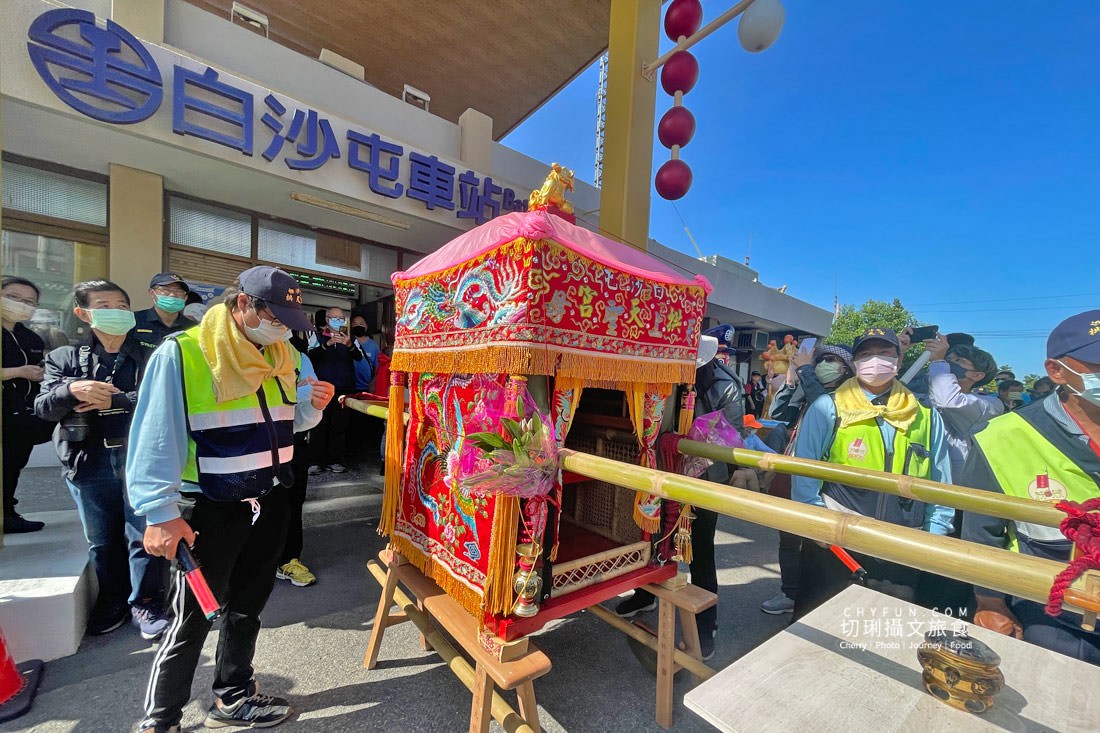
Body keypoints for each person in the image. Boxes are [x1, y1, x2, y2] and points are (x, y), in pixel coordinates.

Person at [127, 266, 333, 731]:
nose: (282, 327)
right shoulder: (184, 354)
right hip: (209, 509)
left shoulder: (282, 355)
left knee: (248, 606)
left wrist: (310, 410)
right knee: (193, 618)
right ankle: (161, 720)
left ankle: (234, 694)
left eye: (288, 319)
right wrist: (159, 512)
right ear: (243, 304)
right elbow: (156, 438)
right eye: (275, 316)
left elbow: (280, 424)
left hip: (268, 499)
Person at [962, 310, 1100, 664]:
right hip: (1055, 613)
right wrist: (991, 601)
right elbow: (983, 530)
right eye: (1097, 363)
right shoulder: (1002, 437)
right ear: (1056, 371)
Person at [34, 280, 169, 638]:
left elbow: (166, 400)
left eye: (123, 305)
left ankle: (147, 601)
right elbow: (42, 408)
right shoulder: (64, 359)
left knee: (144, 534)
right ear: (83, 313)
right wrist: (70, 389)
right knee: (103, 540)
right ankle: (112, 600)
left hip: (137, 458)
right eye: (105, 305)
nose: (117, 312)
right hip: (87, 460)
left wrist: (119, 401)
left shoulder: (151, 353)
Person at [790, 327, 953, 618]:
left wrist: (934, 535)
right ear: (854, 364)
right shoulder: (829, 407)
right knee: (818, 625)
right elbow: (805, 472)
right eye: (865, 354)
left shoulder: (925, 416)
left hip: (902, 545)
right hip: (836, 542)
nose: (875, 360)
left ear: (899, 361)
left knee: (881, 631)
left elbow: (941, 481)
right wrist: (816, 523)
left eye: (884, 353)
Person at [615, 326, 744, 660]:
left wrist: (688, 453)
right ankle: (645, 595)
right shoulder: (666, 373)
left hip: (701, 482)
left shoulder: (724, 385)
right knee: (652, 539)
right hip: (662, 471)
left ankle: (705, 624)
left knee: (700, 551)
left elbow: (729, 440)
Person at [760, 343, 854, 616]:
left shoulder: (845, 398)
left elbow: (820, 403)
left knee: (817, 544)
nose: (823, 364)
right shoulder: (807, 387)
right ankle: (789, 592)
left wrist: (804, 370)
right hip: (795, 473)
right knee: (788, 538)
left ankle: (814, 601)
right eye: (820, 359)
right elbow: (778, 415)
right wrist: (791, 382)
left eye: (830, 360)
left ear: (847, 369)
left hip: (825, 481)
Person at [2, 277, 55, 533]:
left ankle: (7, 513)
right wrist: (18, 371)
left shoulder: (29, 337)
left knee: (12, 465)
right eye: (13, 297)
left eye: (28, 301)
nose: (21, 305)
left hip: (20, 414)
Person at [917, 331, 1002, 478]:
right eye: (948, 359)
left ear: (977, 375)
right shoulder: (924, 394)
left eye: (958, 361)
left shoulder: (990, 405)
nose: (949, 364)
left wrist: (938, 362)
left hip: (953, 477)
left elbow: (947, 401)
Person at [307, 307, 362, 475]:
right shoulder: (316, 336)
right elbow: (310, 356)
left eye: (341, 318)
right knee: (318, 425)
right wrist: (328, 344)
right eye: (334, 318)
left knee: (339, 427)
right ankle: (316, 462)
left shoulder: (351, 338)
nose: (338, 320)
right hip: (321, 388)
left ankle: (335, 461)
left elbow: (358, 357)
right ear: (327, 319)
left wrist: (349, 345)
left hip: (344, 388)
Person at [132, 272, 196, 350]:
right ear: (152, 293)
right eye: (166, 290)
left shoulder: (192, 328)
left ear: (185, 297)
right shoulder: (134, 320)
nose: (172, 294)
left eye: (178, 291)